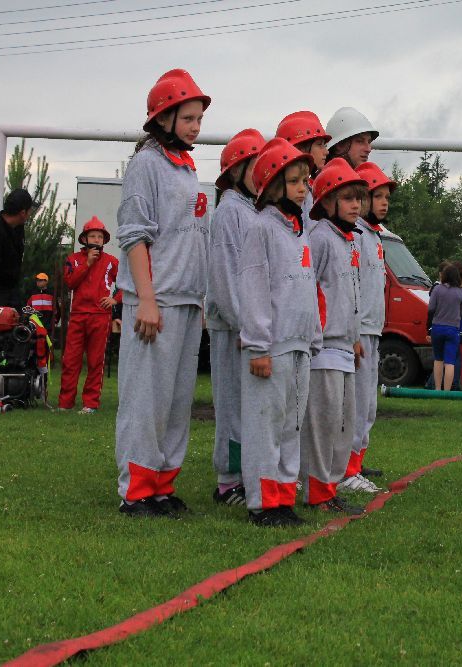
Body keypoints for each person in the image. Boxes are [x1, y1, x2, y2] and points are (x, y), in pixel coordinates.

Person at [114, 69, 211, 518]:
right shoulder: (146, 165)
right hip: (155, 301)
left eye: (198, 118)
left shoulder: (186, 166)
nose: (195, 126)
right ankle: (136, 492)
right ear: (163, 117)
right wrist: (147, 299)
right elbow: (134, 237)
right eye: (188, 118)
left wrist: (202, 298)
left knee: (175, 403)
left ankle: (163, 487)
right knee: (145, 400)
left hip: (187, 301)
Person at [239, 137, 321, 526]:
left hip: (299, 344)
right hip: (271, 347)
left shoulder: (299, 229)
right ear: (273, 185)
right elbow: (253, 288)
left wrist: (313, 336)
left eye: (305, 180)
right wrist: (257, 345)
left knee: (292, 424)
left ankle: (283, 498)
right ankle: (262, 502)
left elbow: (306, 285)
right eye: (294, 181)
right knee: (265, 424)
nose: (303, 187)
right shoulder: (261, 229)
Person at [301, 158, 367, 515]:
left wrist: (355, 336)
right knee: (322, 424)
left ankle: (329, 487)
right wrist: (315, 337)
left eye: (358, 198)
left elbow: (348, 294)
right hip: (323, 347)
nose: (356, 205)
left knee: (343, 423)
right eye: (347, 198)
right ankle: (317, 490)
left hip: (344, 346)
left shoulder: (348, 240)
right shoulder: (321, 239)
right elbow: (310, 293)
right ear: (326, 202)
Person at [206, 128, 266, 508]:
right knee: (231, 403)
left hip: (248, 327)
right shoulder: (229, 211)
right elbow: (227, 279)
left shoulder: (248, 210)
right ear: (237, 169)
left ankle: (246, 475)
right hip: (232, 328)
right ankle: (229, 482)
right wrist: (245, 324)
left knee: (249, 404)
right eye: (256, 166)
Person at [337, 161, 395, 494]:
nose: (384, 203)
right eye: (378, 195)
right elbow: (352, 286)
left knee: (368, 405)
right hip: (358, 333)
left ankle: (356, 464)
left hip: (373, 330)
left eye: (387, 197)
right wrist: (354, 331)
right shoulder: (355, 235)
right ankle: (345, 470)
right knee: (355, 405)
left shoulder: (375, 236)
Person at [58, 217, 119, 414]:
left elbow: (129, 284)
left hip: (100, 316)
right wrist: (88, 264)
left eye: (100, 236)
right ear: (84, 238)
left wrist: (115, 300)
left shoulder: (112, 261)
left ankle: (90, 404)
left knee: (96, 361)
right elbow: (70, 283)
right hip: (78, 315)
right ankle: (65, 403)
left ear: (104, 240)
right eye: (92, 235)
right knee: (70, 360)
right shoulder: (73, 259)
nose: (96, 239)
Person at [276, 111, 330, 234]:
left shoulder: (309, 188)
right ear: (299, 149)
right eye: (319, 145)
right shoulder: (290, 194)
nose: (326, 152)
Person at [426, 264, 462, 392]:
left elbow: (431, 308)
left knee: (438, 359)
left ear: (444, 276)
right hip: (453, 329)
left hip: (437, 327)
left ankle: (437, 389)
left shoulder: (437, 289)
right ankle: (447, 391)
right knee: (450, 361)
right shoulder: (461, 292)